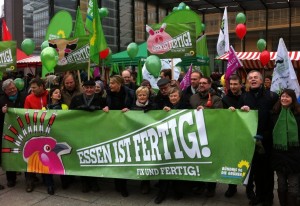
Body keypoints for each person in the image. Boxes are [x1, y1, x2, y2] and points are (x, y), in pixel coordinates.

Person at [239, 70, 278, 206]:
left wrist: (266, 135)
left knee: (267, 171)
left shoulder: (272, 96)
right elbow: (238, 118)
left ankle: (268, 198)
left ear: (261, 81)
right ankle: (259, 196)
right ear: (248, 81)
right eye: (251, 78)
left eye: (256, 77)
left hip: (266, 140)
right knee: (256, 172)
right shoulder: (244, 97)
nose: (253, 79)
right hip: (251, 141)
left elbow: (275, 119)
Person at [69, 79, 108, 193]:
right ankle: (84, 182)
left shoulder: (101, 99)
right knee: (82, 156)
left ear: (95, 88)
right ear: (83, 88)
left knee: (94, 156)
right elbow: (70, 114)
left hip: (95, 133)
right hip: (80, 132)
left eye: (91, 87)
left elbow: (107, 112)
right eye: (87, 87)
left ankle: (94, 182)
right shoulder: (76, 99)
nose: (89, 90)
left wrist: (105, 109)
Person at [189, 76, 223, 198]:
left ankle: (211, 187)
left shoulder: (216, 99)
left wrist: (207, 112)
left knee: (210, 162)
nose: (201, 84)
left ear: (209, 85)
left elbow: (219, 116)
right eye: (200, 83)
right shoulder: (193, 98)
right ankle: (200, 185)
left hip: (210, 135)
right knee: (198, 161)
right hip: (196, 134)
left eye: (204, 83)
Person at [24, 78, 55, 195]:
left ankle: (49, 184)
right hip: (34, 131)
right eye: (31, 88)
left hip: (49, 131)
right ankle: (29, 182)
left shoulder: (50, 94)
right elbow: (26, 114)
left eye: (34, 87)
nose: (32, 90)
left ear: (42, 86)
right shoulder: (28, 98)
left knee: (46, 158)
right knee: (31, 158)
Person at [106, 75, 135, 197]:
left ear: (119, 84)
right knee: (115, 155)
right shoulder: (108, 93)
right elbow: (105, 105)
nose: (110, 85)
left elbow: (135, 106)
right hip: (113, 128)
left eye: (112, 83)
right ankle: (117, 183)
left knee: (124, 155)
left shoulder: (130, 93)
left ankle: (123, 185)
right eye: (110, 83)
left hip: (126, 128)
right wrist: (105, 107)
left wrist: (130, 109)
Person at [270, 89, 300, 206]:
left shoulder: (298, 114)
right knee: (281, 184)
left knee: (293, 185)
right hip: (279, 155)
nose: (284, 99)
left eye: (288, 97)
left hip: (295, 156)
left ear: (293, 99)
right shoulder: (274, 113)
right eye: (283, 96)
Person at [0, 79, 26, 189]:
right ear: (5, 91)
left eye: (13, 88)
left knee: (25, 152)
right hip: (9, 132)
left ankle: (29, 176)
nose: (12, 91)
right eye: (9, 90)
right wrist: (1, 111)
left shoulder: (24, 96)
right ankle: (11, 179)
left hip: (24, 131)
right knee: (10, 153)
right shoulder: (1, 100)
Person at [221, 74, 244, 198]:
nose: (233, 86)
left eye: (236, 84)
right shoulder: (225, 99)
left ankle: (249, 188)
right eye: (231, 84)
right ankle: (231, 187)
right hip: (230, 134)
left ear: (241, 84)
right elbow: (221, 117)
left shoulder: (246, 97)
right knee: (231, 161)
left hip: (244, 133)